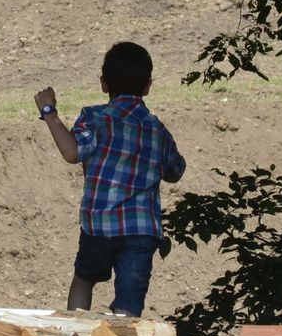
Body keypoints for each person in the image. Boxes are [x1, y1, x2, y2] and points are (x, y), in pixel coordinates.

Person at [34, 41, 186, 318]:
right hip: (141, 230)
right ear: (148, 86)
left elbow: (72, 152)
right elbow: (176, 171)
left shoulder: (95, 118)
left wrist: (49, 113)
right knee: (129, 301)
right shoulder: (156, 129)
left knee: (84, 278)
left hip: (99, 225)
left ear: (104, 84)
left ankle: (75, 335)